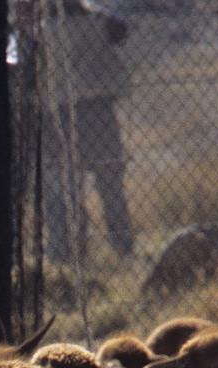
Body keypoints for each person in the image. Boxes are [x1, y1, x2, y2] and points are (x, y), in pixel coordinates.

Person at [39, 0, 133, 260]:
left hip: (59, 112)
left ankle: (65, 251)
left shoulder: (42, 29)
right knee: (110, 184)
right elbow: (122, 30)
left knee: (62, 186)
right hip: (99, 109)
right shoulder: (99, 23)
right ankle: (123, 246)